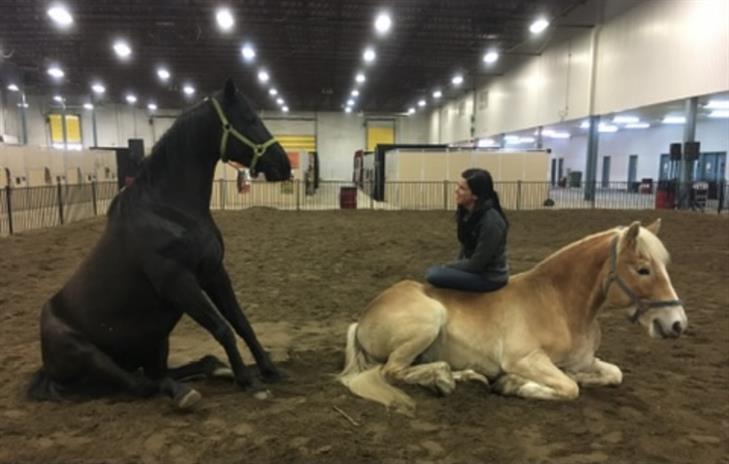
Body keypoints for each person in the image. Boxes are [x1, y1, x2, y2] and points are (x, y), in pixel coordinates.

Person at [425, 168, 509, 292]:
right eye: (457, 186)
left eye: (462, 188)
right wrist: (454, 267)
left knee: (433, 274)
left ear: (475, 195)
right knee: (436, 272)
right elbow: (465, 246)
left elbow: (478, 263)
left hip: (490, 277)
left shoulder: (491, 222)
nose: (456, 191)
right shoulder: (467, 213)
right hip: (475, 270)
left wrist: (448, 267)